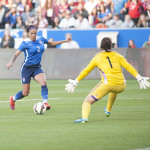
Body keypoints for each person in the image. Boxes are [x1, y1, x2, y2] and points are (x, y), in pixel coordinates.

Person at [65, 37, 150, 123]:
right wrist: (139, 77)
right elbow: (129, 66)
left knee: (87, 101)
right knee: (112, 86)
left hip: (108, 85)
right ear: (111, 46)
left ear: (101, 46)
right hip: (122, 85)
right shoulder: (118, 55)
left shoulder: (97, 57)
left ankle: (84, 118)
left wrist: (76, 81)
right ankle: (108, 110)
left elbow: (86, 71)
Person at [6, 25, 71, 110]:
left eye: (35, 33)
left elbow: (51, 43)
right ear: (28, 34)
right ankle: (13, 99)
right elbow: (16, 54)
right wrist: (11, 62)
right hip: (26, 69)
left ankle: (45, 103)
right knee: (25, 93)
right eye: (31, 33)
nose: (33, 35)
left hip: (36, 68)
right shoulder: (25, 43)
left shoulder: (41, 39)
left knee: (43, 82)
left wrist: (65, 41)